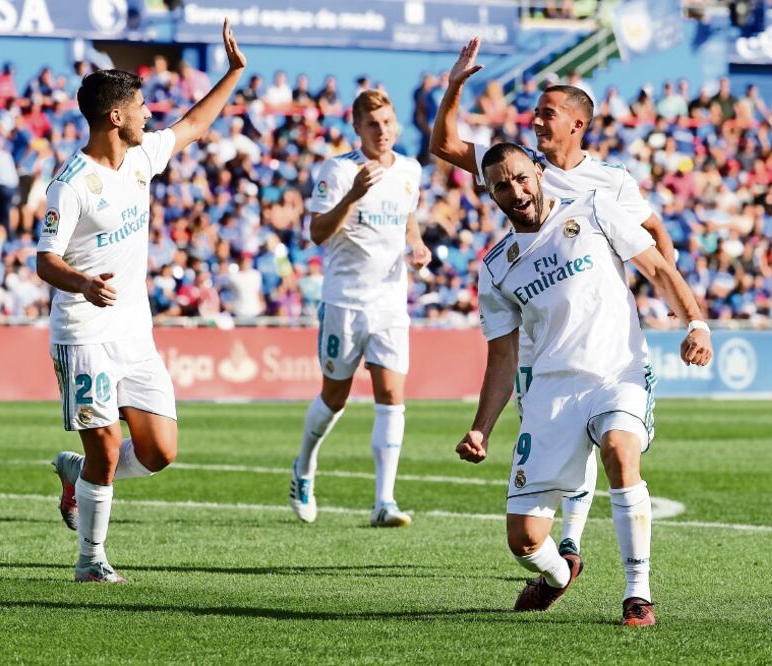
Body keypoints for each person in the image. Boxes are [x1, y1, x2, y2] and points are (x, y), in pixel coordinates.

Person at [431, 37, 678, 557]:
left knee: (601, 429)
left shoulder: (609, 182)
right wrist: (454, 86)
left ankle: (571, 542)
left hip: (590, 332)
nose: (536, 122)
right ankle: (558, 546)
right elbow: (444, 145)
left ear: (576, 123)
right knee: (557, 433)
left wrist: (660, 290)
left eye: (546, 114)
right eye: (535, 114)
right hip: (533, 328)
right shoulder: (516, 167)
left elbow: (653, 229)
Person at [456, 142, 712, 625]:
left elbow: (657, 267)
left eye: (520, 177)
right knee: (525, 541)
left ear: (538, 171)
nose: (516, 191)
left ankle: (638, 593)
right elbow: (503, 355)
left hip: (617, 371)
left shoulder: (594, 209)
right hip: (551, 394)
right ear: (489, 194)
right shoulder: (495, 267)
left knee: (619, 447)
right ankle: (557, 575)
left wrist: (695, 322)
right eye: (500, 186)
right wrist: (481, 429)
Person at [36, 19, 246, 583]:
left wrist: (233, 73)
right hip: (83, 333)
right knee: (107, 450)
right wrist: (82, 283)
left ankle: (75, 473)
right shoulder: (71, 184)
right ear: (115, 116)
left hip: (134, 334)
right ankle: (91, 560)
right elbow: (44, 260)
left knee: (159, 453)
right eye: (141, 106)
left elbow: (196, 124)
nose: (149, 113)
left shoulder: (141, 157)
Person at [288, 90, 431, 527]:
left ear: (397, 124)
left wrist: (418, 245)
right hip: (345, 301)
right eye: (372, 124)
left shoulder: (410, 170)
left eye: (387, 122)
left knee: (391, 396)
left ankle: (383, 502)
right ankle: (304, 468)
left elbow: (408, 217)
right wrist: (351, 196)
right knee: (335, 396)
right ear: (357, 128)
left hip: (390, 303)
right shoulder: (339, 169)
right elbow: (315, 232)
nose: (382, 131)